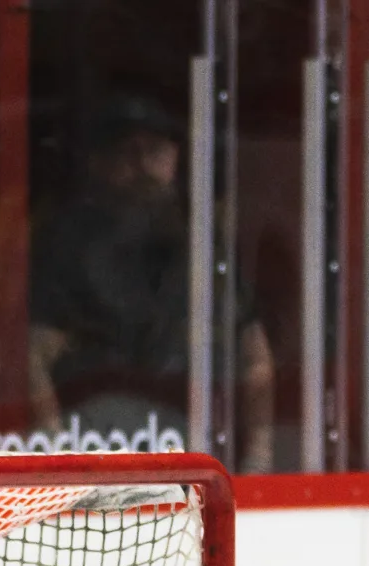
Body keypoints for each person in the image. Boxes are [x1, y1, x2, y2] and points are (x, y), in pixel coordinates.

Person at [27, 97, 274, 470]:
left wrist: (260, 455)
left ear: (176, 159)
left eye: (156, 150)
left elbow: (254, 356)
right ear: (99, 162)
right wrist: (54, 449)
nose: (142, 165)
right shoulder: (66, 245)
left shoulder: (204, 247)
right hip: (94, 446)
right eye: (127, 151)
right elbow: (31, 355)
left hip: (190, 447)